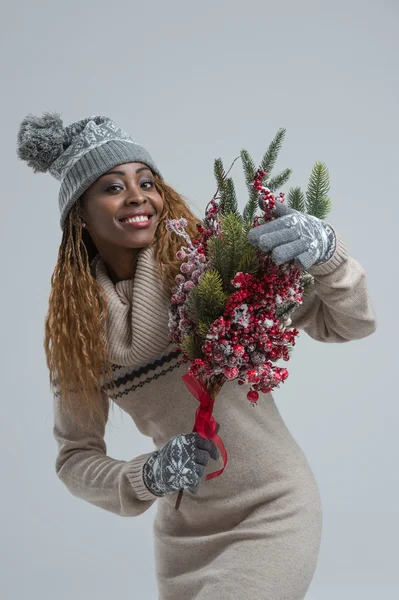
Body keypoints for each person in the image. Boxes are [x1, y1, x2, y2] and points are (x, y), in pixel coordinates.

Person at [16, 112, 377, 600]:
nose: (137, 195)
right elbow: (75, 460)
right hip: (185, 532)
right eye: (112, 187)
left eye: (146, 181)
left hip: (274, 507)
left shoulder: (208, 268)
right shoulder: (78, 337)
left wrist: (328, 255)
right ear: (79, 212)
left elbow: (349, 322)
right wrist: (148, 474)